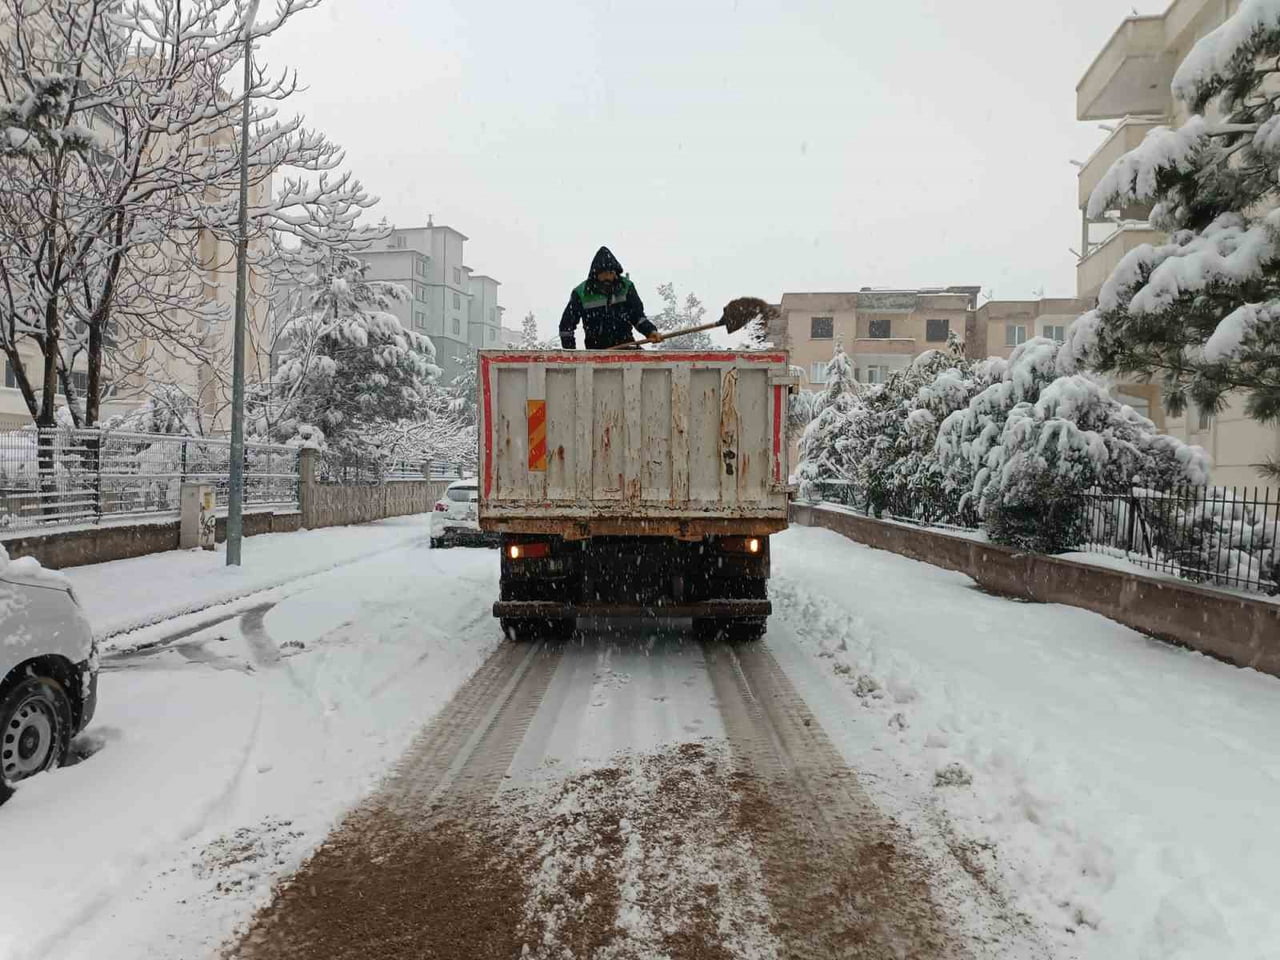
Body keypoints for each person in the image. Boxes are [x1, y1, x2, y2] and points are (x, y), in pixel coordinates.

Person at [560, 246, 663, 349]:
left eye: (611, 273)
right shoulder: (581, 293)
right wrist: (571, 354)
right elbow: (566, 326)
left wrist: (650, 331)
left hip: (626, 346)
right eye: (604, 273)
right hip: (596, 352)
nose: (608, 277)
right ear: (596, 273)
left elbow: (637, 317)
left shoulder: (626, 287)